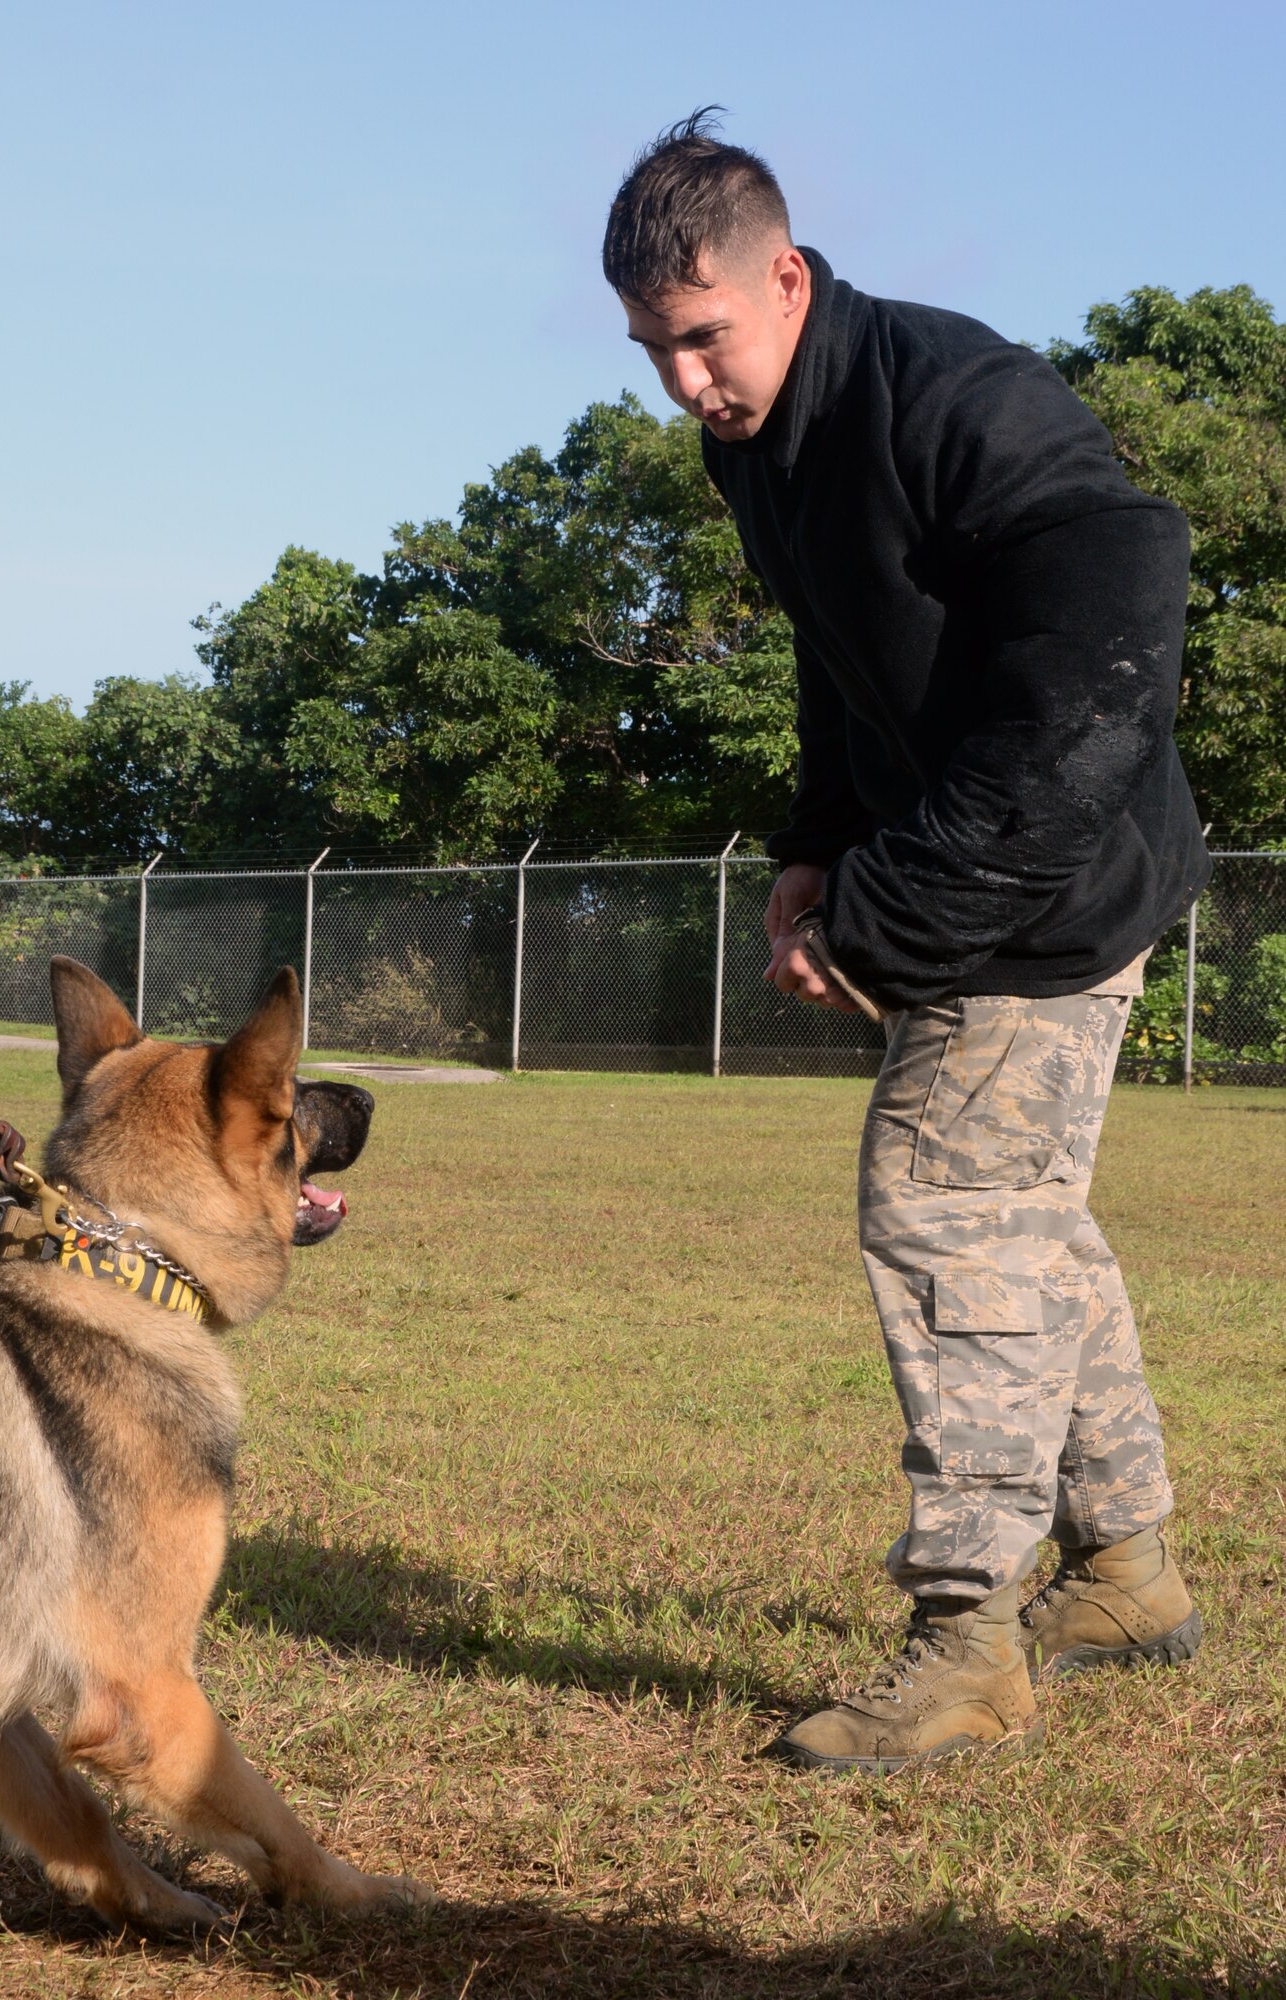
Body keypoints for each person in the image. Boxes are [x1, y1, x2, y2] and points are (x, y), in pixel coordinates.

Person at [602, 111, 1209, 1773]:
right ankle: (1133, 1573)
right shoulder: (766, 444)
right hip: (972, 864)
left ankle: (968, 1645)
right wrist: (815, 848)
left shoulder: (956, 395)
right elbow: (843, 663)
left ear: (785, 280)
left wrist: (896, 910)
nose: (683, 386)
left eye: (704, 338)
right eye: (653, 350)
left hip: (1047, 884)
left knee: (943, 1207)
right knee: (1025, 1220)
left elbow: (1119, 617)